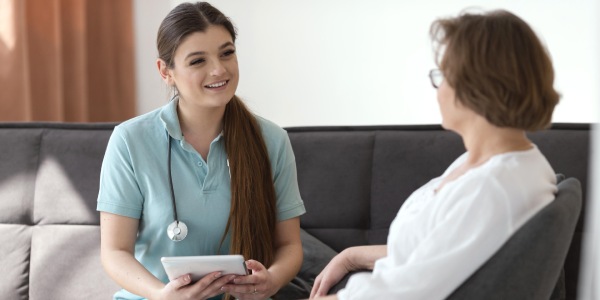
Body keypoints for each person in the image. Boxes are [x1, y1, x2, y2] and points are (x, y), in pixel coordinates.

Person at [309, 9, 560, 300]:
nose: (438, 90)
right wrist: (351, 256)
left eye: (443, 75)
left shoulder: (493, 187)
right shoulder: (495, 164)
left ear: (478, 85)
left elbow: (405, 293)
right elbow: (443, 254)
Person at [97, 2, 306, 300]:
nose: (219, 69)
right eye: (198, 61)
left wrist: (270, 280)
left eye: (227, 53)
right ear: (166, 71)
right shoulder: (129, 140)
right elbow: (114, 251)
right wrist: (160, 295)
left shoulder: (271, 140)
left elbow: (289, 246)